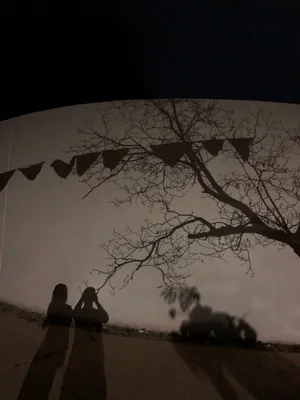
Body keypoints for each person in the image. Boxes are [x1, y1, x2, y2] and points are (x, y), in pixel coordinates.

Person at [17, 283, 73, 400]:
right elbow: (64, 334)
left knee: (31, 385)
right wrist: (62, 354)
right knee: (42, 387)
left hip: (44, 350)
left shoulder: (52, 307)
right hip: (52, 352)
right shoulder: (66, 309)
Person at [60, 287, 109, 400]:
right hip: (89, 352)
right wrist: (96, 301)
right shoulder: (94, 313)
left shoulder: (83, 312)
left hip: (83, 351)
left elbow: (105, 318)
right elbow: (105, 318)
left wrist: (83, 299)